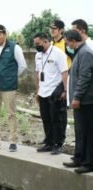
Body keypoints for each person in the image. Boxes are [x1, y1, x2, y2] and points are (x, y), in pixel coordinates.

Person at [0, 24, 27, 152]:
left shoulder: (14, 47)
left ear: (4, 34)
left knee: (11, 114)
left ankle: (13, 141)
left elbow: (22, 66)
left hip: (8, 87)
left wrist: (11, 77)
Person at [63, 30, 93, 174]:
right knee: (79, 131)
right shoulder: (79, 53)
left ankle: (88, 163)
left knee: (87, 132)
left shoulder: (85, 53)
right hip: (80, 100)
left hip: (86, 101)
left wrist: (77, 97)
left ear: (73, 41)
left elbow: (85, 77)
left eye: (67, 42)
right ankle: (78, 158)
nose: (67, 45)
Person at [34, 32, 68, 155]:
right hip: (43, 92)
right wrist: (38, 90)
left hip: (55, 92)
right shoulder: (38, 55)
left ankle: (58, 144)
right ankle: (49, 143)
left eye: (38, 44)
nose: (36, 46)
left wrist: (65, 90)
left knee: (57, 119)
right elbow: (37, 73)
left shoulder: (58, 54)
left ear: (45, 41)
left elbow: (64, 73)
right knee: (46, 118)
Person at [48, 20, 72, 146]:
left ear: (61, 30)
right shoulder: (51, 43)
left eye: (55, 28)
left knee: (61, 112)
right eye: (51, 28)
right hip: (52, 81)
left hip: (63, 80)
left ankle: (60, 141)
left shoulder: (66, 43)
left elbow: (73, 61)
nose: (52, 30)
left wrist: (66, 86)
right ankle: (52, 139)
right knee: (51, 112)